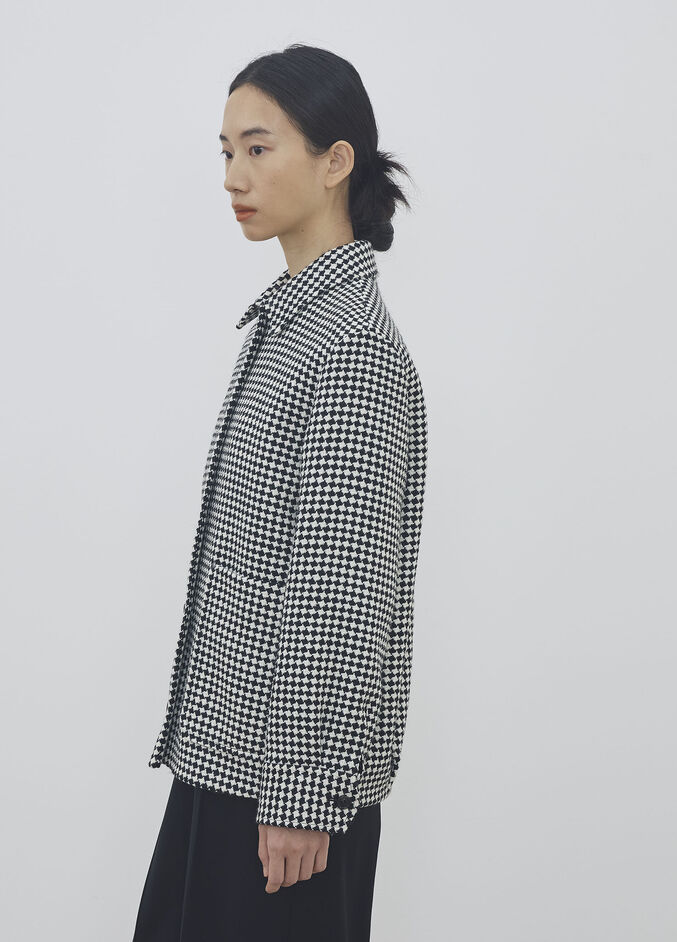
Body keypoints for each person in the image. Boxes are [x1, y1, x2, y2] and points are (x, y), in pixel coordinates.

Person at [132, 43, 428, 942]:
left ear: (335, 161)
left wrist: (302, 794)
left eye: (258, 149)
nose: (234, 176)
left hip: (280, 800)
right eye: (226, 152)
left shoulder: (349, 351)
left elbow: (338, 593)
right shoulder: (295, 327)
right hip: (227, 769)